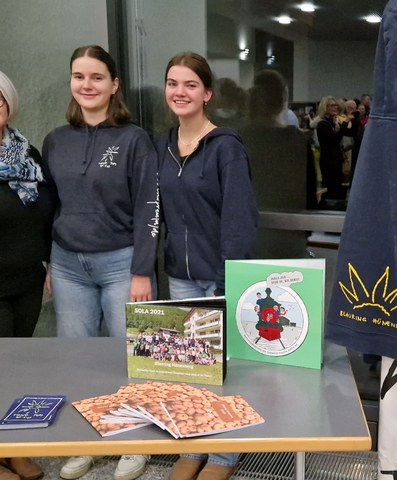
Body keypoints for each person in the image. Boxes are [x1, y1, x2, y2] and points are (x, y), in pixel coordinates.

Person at [42, 45, 159, 480]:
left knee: (129, 358)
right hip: (68, 263)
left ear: (114, 85)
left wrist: (142, 269)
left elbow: (150, 207)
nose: (86, 85)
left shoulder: (134, 139)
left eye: (96, 77)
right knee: (76, 359)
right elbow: (52, 206)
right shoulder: (56, 140)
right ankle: (86, 441)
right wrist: (49, 263)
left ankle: (133, 444)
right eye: (78, 76)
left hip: (121, 264)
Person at [156, 52, 257, 480]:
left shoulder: (225, 148)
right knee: (191, 367)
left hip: (219, 275)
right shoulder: (161, 145)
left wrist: (226, 278)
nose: (180, 92)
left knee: (224, 368)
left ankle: (224, 454)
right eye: (173, 83)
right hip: (180, 275)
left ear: (207, 93)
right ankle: (193, 444)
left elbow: (238, 221)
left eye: (190, 85)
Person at [0, 71, 48, 480]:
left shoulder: (26, 153)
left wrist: (49, 261)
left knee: (17, 368)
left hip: (27, 281)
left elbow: (47, 209)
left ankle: (13, 449)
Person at [239, 69, 317, 259]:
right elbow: (309, 191)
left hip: (248, 234)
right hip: (289, 233)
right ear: (282, 100)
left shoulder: (238, 138)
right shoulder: (296, 140)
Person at [316, 96, 352, 203]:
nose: (335, 107)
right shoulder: (322, 124)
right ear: (325, 108)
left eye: (336, 105)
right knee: (331, 190)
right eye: (332, 105)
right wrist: (345, 123)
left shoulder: (333, 123)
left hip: (336, 161)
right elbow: (334, 139)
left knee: (338, 189)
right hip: (329, 162)